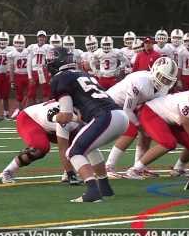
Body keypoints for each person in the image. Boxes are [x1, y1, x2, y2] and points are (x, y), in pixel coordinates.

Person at [47, 45, 129, 203]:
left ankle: (92, 191)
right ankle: (105, 188)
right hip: (120, 116)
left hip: (105, 117)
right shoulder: (82, 74)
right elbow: (78, 114)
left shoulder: (60, 78)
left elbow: (65, 115)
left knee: (73, 152)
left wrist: (53, 118)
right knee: (90, 149)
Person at [105, 57, 178, 178]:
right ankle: (108, 166)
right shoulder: (140, 82)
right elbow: (127, 109)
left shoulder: (163, 88)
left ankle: (139, 167)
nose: (164, 82)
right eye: (162, 77)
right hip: (111, 103)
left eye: (168, 80)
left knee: (146, 132)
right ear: (154, 70)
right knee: (132, 130)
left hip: (133, 105)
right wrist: (139, 125)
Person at [0, 100, 81, 185]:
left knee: (79, 143)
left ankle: (68, 173)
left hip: (50, 122)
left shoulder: (73, 113)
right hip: (29, 119)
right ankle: (7, 173)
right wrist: (71, 174)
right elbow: (63, 148)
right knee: (40, 147)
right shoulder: (68, 120)